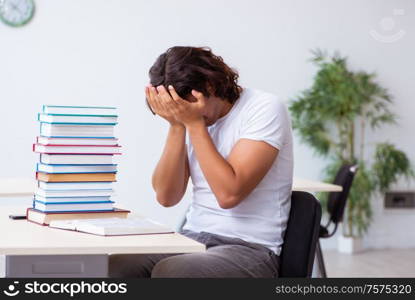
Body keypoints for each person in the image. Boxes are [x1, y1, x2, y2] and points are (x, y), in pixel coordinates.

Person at [109, 46, 293, 278]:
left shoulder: (264, 107)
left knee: (174, 272)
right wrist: (176, 125)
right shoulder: (190, 117)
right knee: (119, 265)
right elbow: (167, 197)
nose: (186, 115)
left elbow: (229, 195)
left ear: (210, 86)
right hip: (193, 238)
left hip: (249, 248)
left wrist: (194, 125)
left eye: (188, 109)